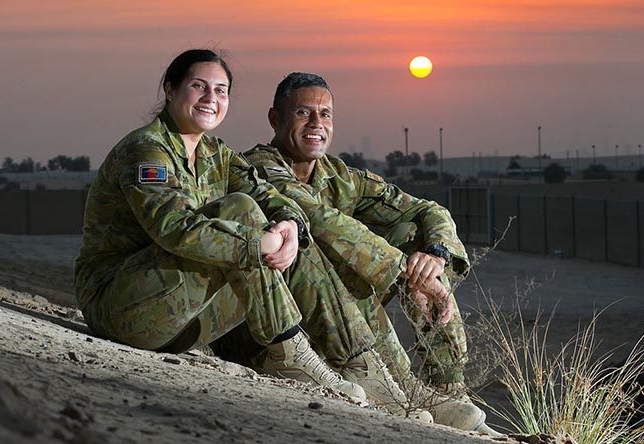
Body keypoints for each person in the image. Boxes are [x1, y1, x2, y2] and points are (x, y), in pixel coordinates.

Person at [74, 50, 411, 407]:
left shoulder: (216, 153)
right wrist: (258, 242)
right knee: (241, 212)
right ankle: (289, 353)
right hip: (122, 309)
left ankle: (360, 365)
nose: (211, 99)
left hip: (183, 321)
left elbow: (266, 192)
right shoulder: (146, 151)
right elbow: (174, 228)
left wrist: (290, 225)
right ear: (171, 90)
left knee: (291, 232)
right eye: (199, 87)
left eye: (221, 91)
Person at [241, 72, 501, 435]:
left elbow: (427, 210)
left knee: (413, 236)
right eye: (303, 113)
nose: (317, 124)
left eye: (326, 114)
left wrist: (436, 256)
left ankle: (445, 389)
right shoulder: (257, 167)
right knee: (314, 240)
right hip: (278, 322)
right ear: (275, 119)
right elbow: (318, 217)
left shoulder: (340, 176)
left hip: (339, 313)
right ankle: (391, 381)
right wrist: (401, 272)